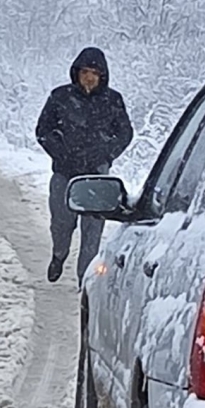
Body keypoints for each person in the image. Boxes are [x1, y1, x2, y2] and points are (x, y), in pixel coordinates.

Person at [36, 46, 133, 286]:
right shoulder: (60, 97)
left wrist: (106, 154)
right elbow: (43, 130)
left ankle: (85, 280)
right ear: (76, 72)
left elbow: (125, 133)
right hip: (64, 173)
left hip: (97, 176)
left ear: (102, 75)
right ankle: (59, 254)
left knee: (93, 231)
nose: (89, 77)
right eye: (85, 71)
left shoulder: (112, 100)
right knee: (61, 223)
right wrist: (60, 152)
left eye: (95, 72)